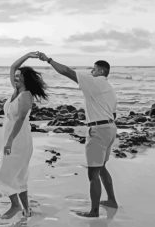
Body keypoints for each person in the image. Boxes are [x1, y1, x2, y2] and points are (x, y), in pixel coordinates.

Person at [37, 52, 118, 218]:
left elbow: (66, 71)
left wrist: (49, 60)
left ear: (101, 71)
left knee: (93, 173)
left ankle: (94, 211)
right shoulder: (110, 89)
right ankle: (111, 201)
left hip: (98, 130)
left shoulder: (94, 82)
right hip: (110, 128)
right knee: (101, 167)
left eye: (94, 70)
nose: (91, 73)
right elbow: (114, 114)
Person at [0, 52, 48, 219]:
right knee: (19, 175)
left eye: (19, 76)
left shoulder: (26, 96)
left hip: (19, 139)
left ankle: (16, 205)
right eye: (16, 76)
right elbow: (12, 67)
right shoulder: (16, 90)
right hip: (11, 136)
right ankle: (27, 210)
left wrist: (10, 140)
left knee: (3, 174)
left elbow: (20, 119)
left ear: (25, 79)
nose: (16, 77)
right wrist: (29, 55)